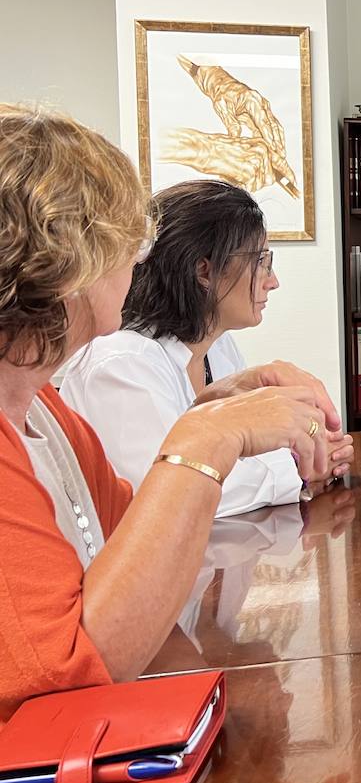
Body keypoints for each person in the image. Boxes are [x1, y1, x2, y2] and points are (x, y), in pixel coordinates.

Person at [0, 105, 337, 724]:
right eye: (126, 242)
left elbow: (134, 537)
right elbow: (73, 679)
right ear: (63, 260)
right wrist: (210, 434)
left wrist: (215, 406)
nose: (138, 262)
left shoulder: (42, 409)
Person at [63, 180, 352, 516]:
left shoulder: (218, 347)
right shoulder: (120, 364)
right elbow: (177, 492)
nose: (272, 281)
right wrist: (300, 471)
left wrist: (310, 454)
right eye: (261, 262)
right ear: (204, 270)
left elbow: (243, 455)